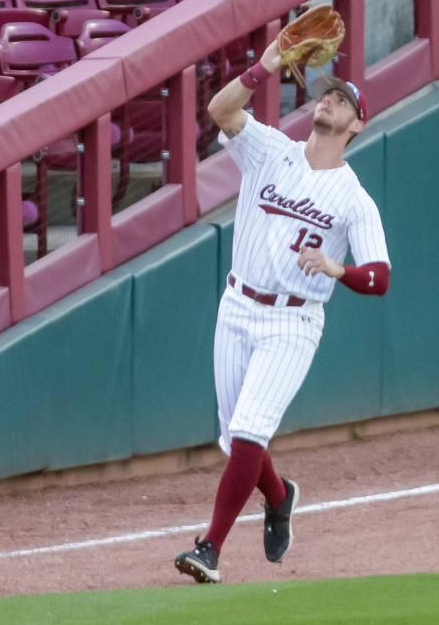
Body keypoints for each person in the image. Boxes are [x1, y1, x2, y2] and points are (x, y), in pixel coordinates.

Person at [173, 42, 391, 584]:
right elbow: (221, 112)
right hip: (236, 305)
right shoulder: (271, 149)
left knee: (248, 432)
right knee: (235, 439)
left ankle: (210, 549)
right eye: (326, 95)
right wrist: (264, 65)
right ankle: (278, 495)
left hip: (293, 321)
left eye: (342, 101)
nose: (329, 102)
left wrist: (337, 269)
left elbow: (380, 277)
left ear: (357, 125)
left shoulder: (353, 198)